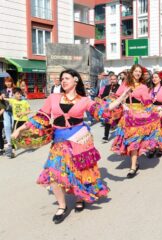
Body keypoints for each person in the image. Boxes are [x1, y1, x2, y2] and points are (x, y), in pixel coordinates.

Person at [11, 69, 109, 224]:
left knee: (79, 172)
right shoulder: (53, 97)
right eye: (62, 79)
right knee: (54, 174)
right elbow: (41, 117)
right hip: (60, 142)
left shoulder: (84, 100)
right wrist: (19, 129)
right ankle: (62, 206)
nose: (63, 81)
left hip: (80, 140)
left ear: (76, 80)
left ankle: (79, 198)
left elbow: (101, 111)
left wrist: (119, 101)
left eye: (67, 78)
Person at [109, 64, 157, 178]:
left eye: (140, 71)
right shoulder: (125, 84)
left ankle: (133, 167)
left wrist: (155, 113)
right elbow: (116, 97)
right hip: (126, 116)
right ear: (132, 72)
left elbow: (147, 103)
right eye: (136, 71)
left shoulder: (143, 86)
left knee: (134, 141)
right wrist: (122, 104)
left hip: (138, 117)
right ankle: (135, 162)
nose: (138, 73)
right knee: (129, 141)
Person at [98, 73, 120, 142]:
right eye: (111, 79)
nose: (113, 81)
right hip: (108, 106)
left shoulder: (120, 87)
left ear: (117, 80)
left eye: (114, 79)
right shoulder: (107, 87)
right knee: (107, 121)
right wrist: (107, 95)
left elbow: (122, 96)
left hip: (117, 107)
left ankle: (120, 137)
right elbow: (102, 96)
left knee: (119, 121)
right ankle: (106, 136)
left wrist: (115, 96)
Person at [1, 77, 15, 158]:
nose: (8, 83)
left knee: (13, 126)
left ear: (12, 82)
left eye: (9, 82)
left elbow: (21, 96)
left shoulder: (15, 89)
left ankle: (14, 142)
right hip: (6, 111)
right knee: (7, 126)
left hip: (14, 111)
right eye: (6, 82)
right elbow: (1, 100)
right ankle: (9, 142)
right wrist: (1, 96)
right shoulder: (3, 91)